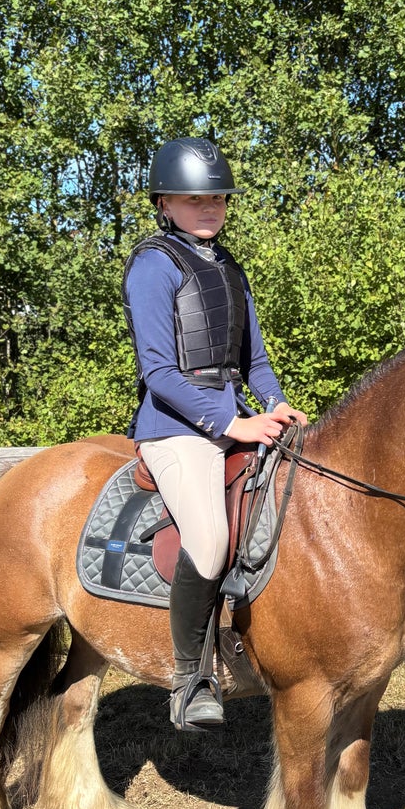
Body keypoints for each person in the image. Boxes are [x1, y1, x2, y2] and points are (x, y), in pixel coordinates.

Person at [122, 137, 306, 732]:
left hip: (234, 419)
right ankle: (190, 681)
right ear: (165, 203)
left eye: (218, 198)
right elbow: (159, 372)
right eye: (195, 198)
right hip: (177, 430)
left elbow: (253, 361)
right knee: (208, 539)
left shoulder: (229, 267)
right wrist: (232, 423)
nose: (210, 208)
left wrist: (276, 406)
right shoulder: (152, 266)